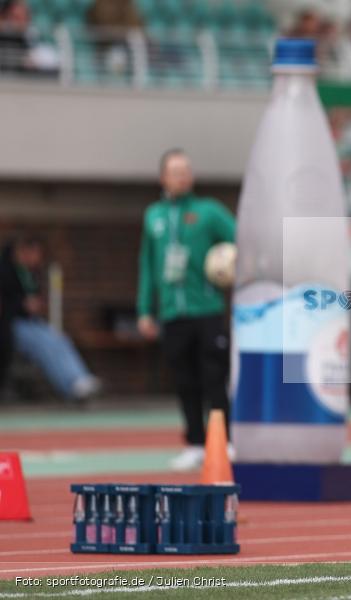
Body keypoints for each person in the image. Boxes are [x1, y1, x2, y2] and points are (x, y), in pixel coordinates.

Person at [136, 149, 235, 471]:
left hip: (206, 310)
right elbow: (147, 266)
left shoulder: (209, 212)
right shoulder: (153, 216)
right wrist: (144, 310)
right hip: (171, 313)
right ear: (163, 177)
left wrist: (229, 265)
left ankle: (224, 441)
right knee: (184, 380)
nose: (182, 176)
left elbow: (238, 240)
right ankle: (194, 442)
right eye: (175, 171)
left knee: (214, 377)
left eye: (186, 170)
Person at [0, 235, 101, 403]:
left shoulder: (28, 273)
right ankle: (70, 385)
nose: (37, 260)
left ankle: (80, 379)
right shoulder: (5, 270)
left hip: (31, 323)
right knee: (44, 344)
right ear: (24, 251)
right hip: (11, 326)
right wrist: (22, 305)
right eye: (35, 254)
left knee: (58, 338)